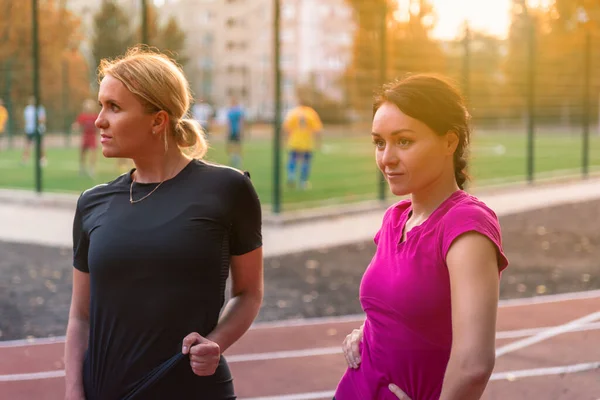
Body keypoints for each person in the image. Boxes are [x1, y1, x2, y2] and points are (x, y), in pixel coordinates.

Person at [64, 47, 264, 400]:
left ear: (158, 120)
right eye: (101, 105)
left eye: (114, 107)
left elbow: (248, 293)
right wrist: (73, 393)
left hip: (194, 391)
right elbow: (81, 316)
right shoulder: (91, 202)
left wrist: (215, 344)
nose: (99, 120)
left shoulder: (228, 189)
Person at [335, 74, 508, 400]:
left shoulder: (466, 225)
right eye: (379, 142)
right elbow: (401, 308)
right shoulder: (395, 219)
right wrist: (365, 332)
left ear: (449, 142)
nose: (386, 158)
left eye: (403, 141)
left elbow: (474, 365)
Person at [283, 98, 323, 190]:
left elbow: (286, 127)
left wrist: (285, 139)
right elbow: (318, 130)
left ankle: (291, 176)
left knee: (292, 160)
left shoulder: (294, 112)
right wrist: (318, 142)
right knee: (305, 162)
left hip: (294, 142)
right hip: (307, 143)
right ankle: (303, 182)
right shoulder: (311, 113)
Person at [72, 99, 99, 177]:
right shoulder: (83, 116)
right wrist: (75, 126)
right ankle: (82, 168)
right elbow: (78, 124)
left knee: (93, 152)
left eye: (90, 105)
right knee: (82, 153)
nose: (88, 107)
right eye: (87, 105)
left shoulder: (95, 116)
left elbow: (98, 126)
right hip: (85, 136)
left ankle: (92, 169)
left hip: (92, 136)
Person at [21, 97, 47, 165]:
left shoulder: (40, 108)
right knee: (27, 144)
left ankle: (42, 159)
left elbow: (43, 119)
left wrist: (38, 121)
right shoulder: (27, 109)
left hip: (38, 129)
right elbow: (26, 120)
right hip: (30, 129)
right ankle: (25, 159)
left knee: (40, 144)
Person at [226, 97, 245, 168]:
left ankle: (237, 158)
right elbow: (229, 123)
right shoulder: (231, 111)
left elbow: (241, 121)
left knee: (237, 145)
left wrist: (241, 130)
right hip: (233, 131)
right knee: (233, 145)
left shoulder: (237, 111)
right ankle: (234, 157)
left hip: (236, 130)